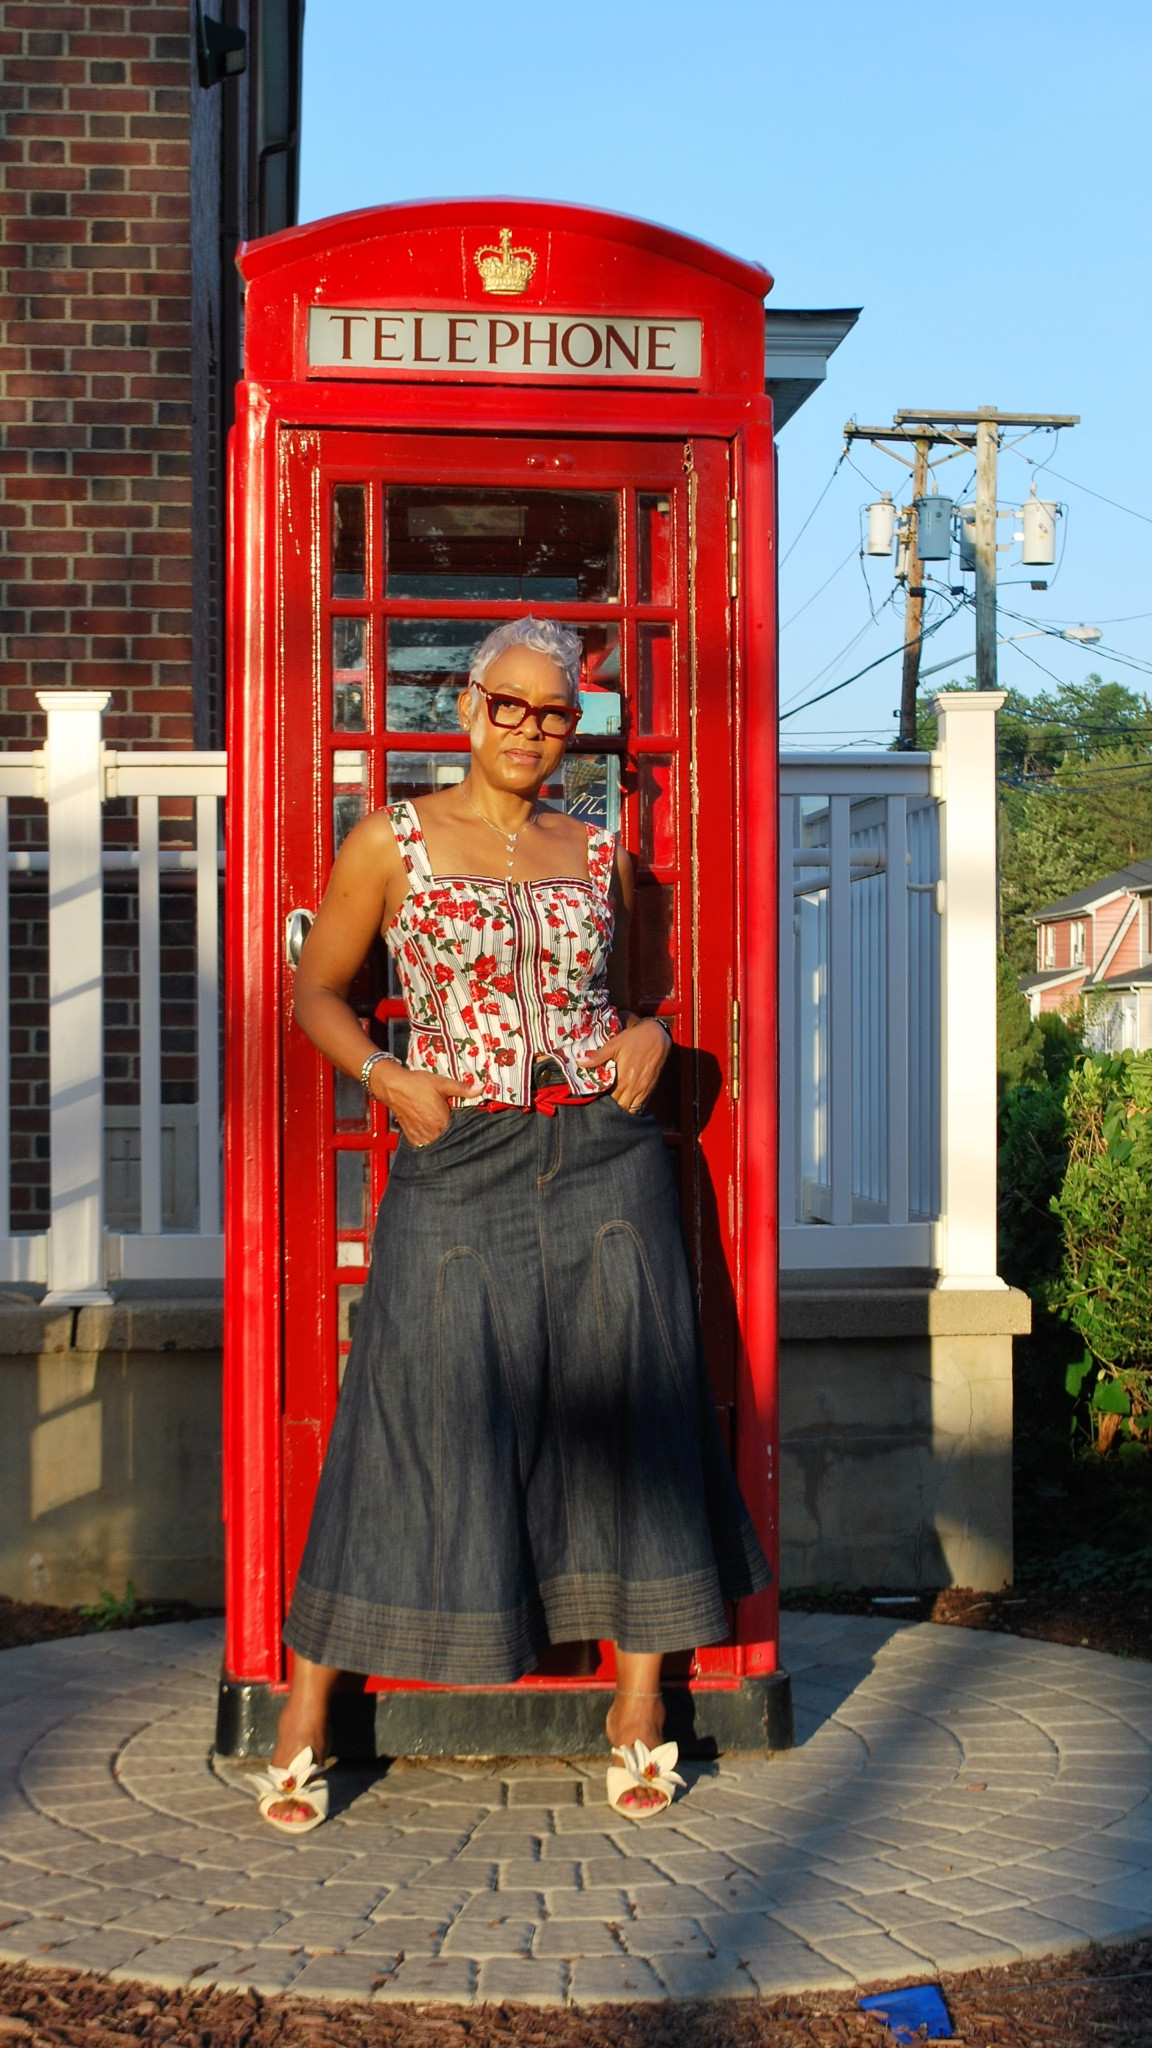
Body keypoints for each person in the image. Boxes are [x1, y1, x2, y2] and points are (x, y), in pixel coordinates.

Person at [255, 617, 770, 1832]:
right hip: (458, 1149)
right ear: (469, 705)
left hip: (600, 1151)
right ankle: (305, 1708)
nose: (534, 731)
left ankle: (640, 1704)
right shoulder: (392, 840)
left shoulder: (599, 855)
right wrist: (385, 1079)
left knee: (634, 1404)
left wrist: (650, 1033)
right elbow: (314, 991)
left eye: (558, 716)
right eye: (514, 706)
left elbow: (633, 1000)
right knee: (405, 1409)